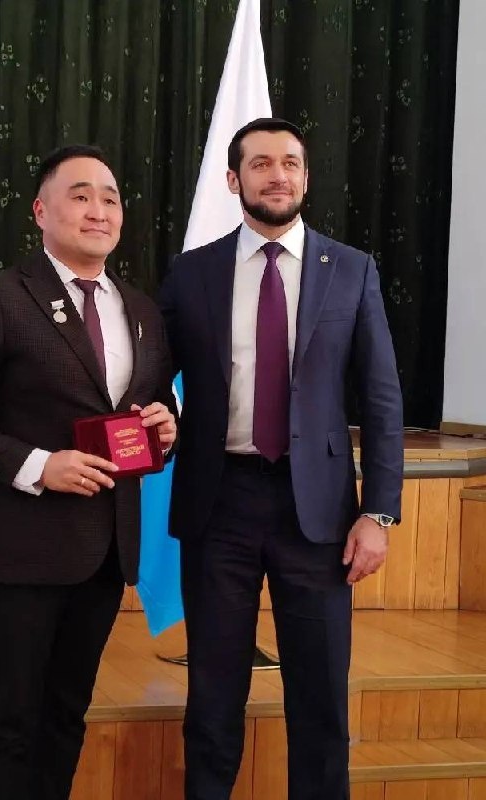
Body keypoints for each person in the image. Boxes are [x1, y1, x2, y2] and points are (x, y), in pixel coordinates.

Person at [0, 144, 177, 800]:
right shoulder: (1, 299)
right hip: (18, 548)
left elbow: (149, 408)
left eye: (111, 199)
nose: (99, 211)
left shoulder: (142, 311)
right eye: (80, 195)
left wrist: (166, 428)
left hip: (104, 550)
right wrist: (38, 465)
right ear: (41, 211)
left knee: (66, 715)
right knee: (10, 720)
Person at [159, 118, 404, 800]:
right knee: (213, 695)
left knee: (320, 697)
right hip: (219, 503)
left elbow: (382, 397)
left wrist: (380, 511)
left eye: (290, 163)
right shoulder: (192, 272)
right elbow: (151, 377)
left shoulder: (351, 269)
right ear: (233, 179)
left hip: (319, 513)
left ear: (305, 176)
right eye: (261, 163)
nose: (278, 175)